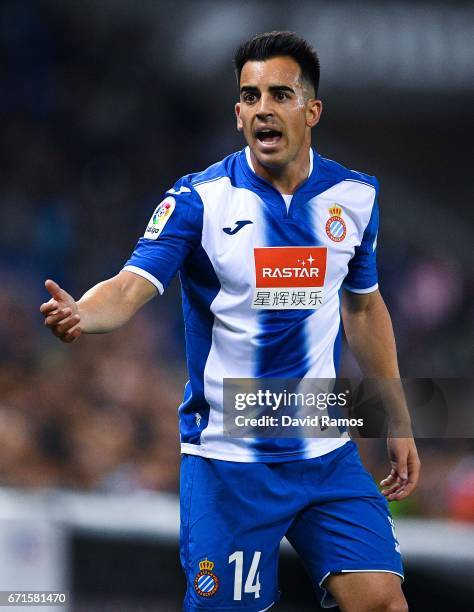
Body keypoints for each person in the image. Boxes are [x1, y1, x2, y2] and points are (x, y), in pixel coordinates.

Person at [40, 31, 420, 612]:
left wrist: (395, 417)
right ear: (238, 112)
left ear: (311, 110)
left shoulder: (355, 197)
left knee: (382, 602)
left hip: (324, 453)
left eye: (279, 94)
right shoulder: (199, 200)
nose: (262, 107)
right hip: (228, 463)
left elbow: (364, 306)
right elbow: (128, 286)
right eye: (249, 96)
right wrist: (83, 313)